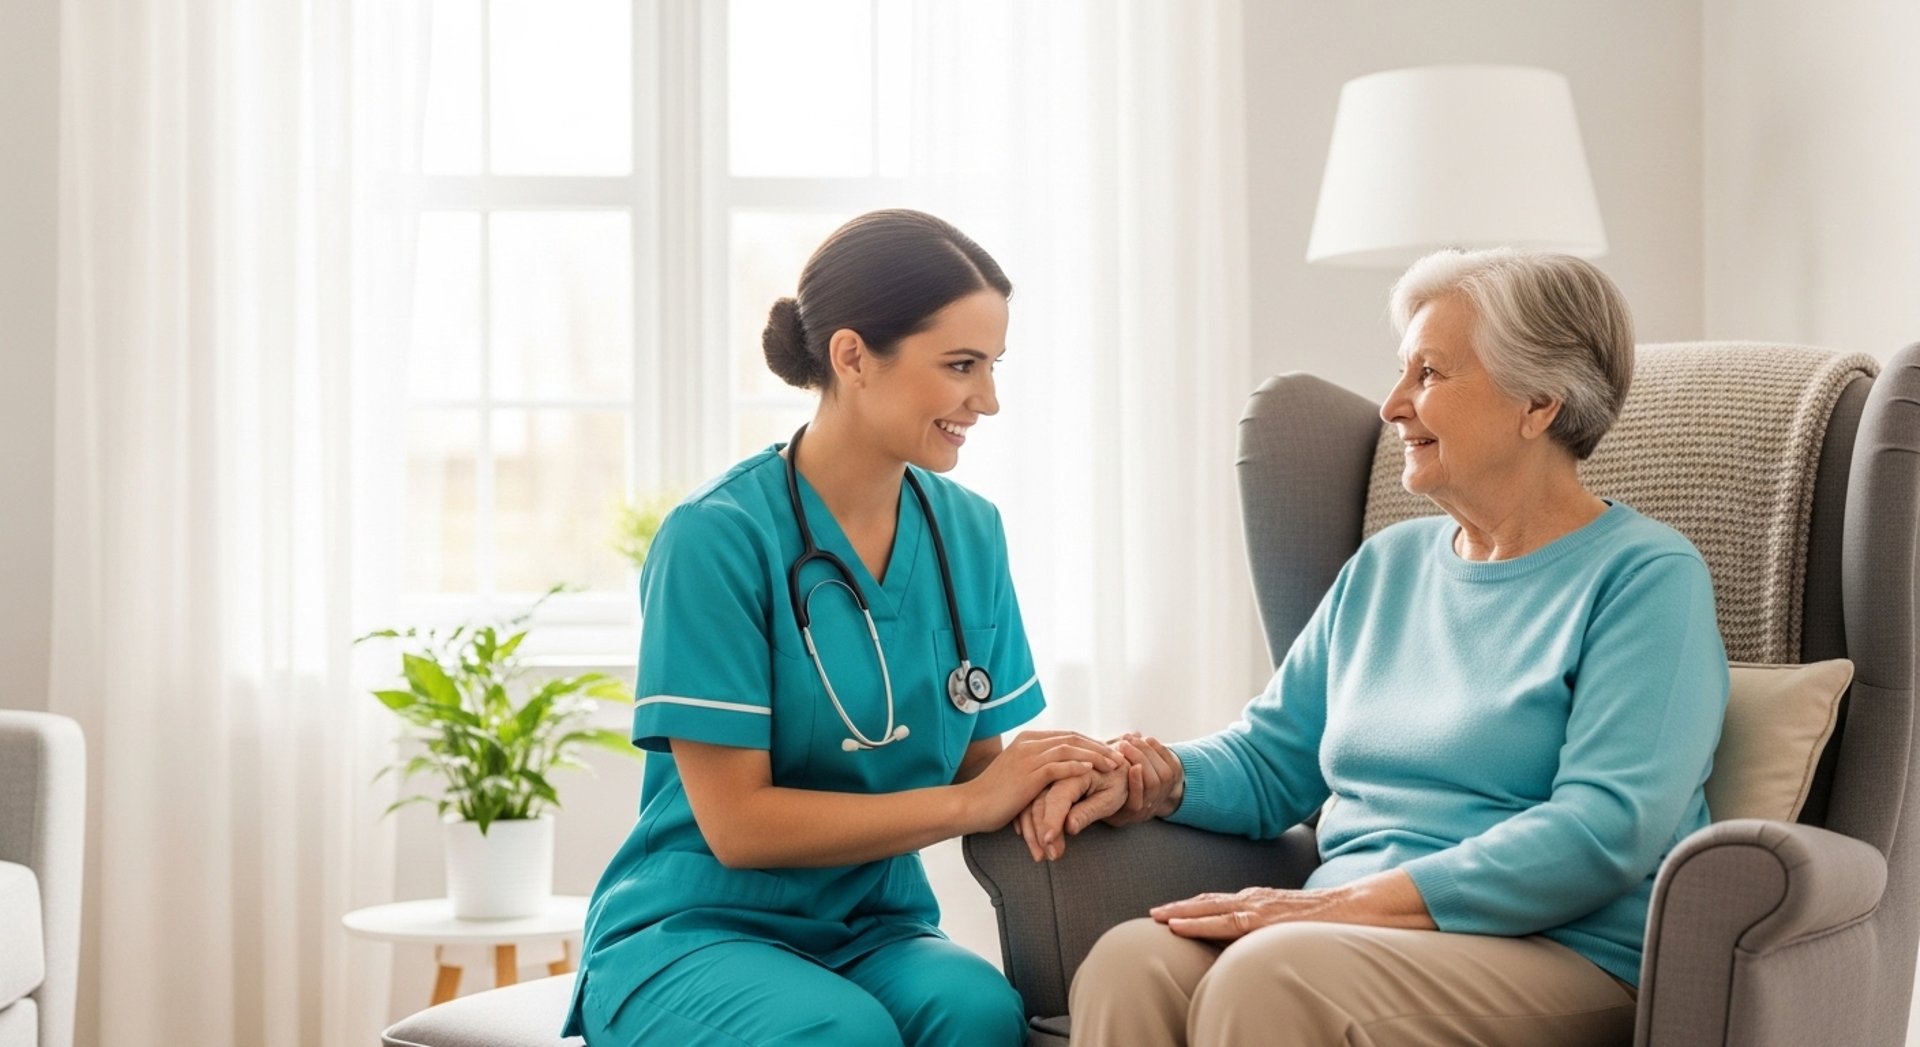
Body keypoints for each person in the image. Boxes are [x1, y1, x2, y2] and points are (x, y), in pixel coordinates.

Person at [1036, 248, 1729, 1046]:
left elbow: (1606, 827)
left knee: (1275, 975)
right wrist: (1149, 779)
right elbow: (1271, 762)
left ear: (1538, 403)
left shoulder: (1645, 577)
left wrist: (1336, 905)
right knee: (1132, 961)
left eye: (1429, 374)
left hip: (1559, 949)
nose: (1392, 405)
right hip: (1344, 934)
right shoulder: (1388, 566)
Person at [564, 209, 1118, 1045]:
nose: (990, 400)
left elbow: (981, 770)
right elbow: (739, 826)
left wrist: (1097, 773)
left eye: (994, 366)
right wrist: (971, 800)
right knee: (839, 1033)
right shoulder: (716, 538)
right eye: (962, 365)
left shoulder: (970, 533)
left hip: (874, 926)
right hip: (698, 929)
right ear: (852, 356)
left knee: (980, 1014)